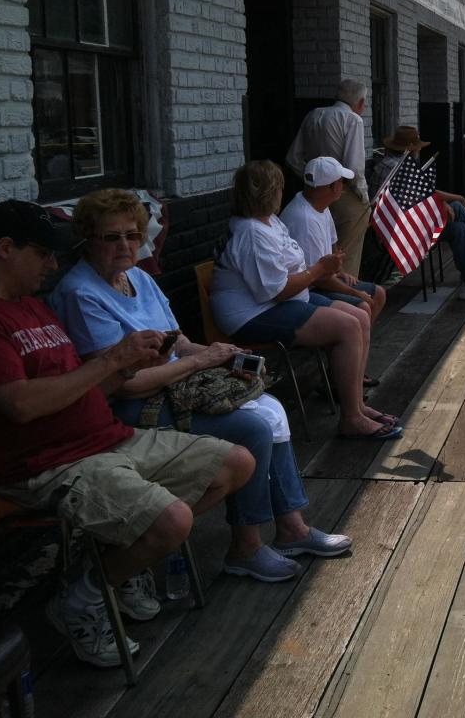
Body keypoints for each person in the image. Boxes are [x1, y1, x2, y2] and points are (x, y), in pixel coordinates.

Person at [0, 199, 253, 667]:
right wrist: (112, 359)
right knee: (173, 521)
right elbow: (20, 405)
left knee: (236, 463)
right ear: (6, 248)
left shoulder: (34, 308)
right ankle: (84, 594)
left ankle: (117, 563)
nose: (53, 265)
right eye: (44, 253)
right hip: (49, 462)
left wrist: (126, 368)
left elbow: (87, 383)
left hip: (108, 437)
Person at [50, 189, 351, 585]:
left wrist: (222, 354)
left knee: (268, 406)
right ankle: (246, 547)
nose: (125, 245)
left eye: (132, 235)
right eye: (111, 237)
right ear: (88, 239)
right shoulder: (80, 294)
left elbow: (180, 341)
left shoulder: (137, 276)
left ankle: (291, 528)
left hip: (180, 384)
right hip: (133, 407)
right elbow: (125, 386)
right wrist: (199, 362)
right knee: (252, 428)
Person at [210, 160, 400, 441]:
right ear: (270, 192)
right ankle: (351, 419)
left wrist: (319, 270)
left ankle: (357, 405)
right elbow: (279, 291)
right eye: (279, 189)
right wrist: (319, 270)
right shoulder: (251, 232)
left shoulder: (269, 222)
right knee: (348, 326)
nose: (281, 194)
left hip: (280, 303)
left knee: (359, 316)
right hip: (252, 315)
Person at [382, 126, 465, 301]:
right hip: (404, 229)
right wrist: (450, 200)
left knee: (458, 227)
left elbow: (423, 193)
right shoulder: (399, 168)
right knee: (458, 213)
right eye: (417, 147)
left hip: (408, 220)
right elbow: (419, 197)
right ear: (410, 148)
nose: (420, 150)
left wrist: (451, 199)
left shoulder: (393, 164)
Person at [281, 156, 387, 325]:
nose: (343, 186)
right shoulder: (304, 220)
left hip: (324, 279)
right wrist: (354, 293)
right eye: (342, 181)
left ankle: (358, 341)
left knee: (378, 293)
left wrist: (341, 269)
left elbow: (332, 245)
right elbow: (317, 278)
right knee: (363, 306)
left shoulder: (319, 205)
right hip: (310, 289)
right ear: (331, 186)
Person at [286, 79, 371, 276]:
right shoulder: (352, 119)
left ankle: (325, 287)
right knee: (346, 256)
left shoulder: (314, 115)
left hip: (314, 194)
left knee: (324, 250)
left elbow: (293, 158)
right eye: (364, 102)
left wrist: (314, 180)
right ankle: (345, 295)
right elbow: (355, 168)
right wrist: (365, 200)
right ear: (359, 102)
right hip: (344, 191)